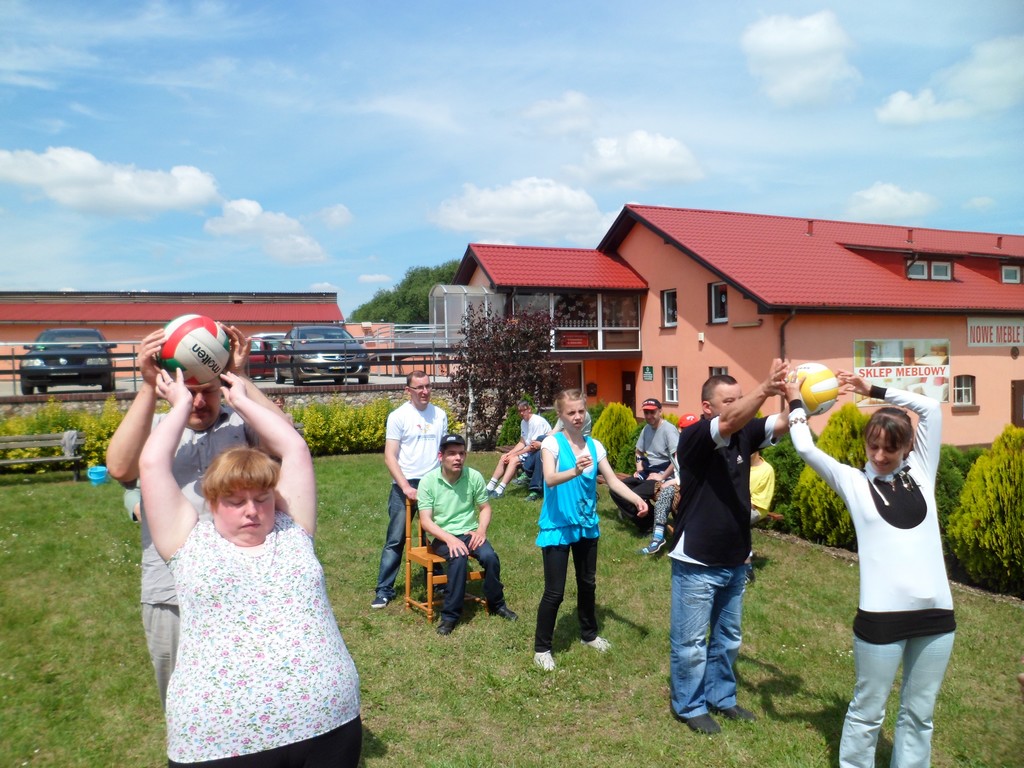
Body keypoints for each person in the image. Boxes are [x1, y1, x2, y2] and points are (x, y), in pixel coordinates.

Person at [140, 368, 361, 766]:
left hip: (328, 724)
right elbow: (153, 464)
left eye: (261, 498)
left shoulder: (292, 528)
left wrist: (240, 400)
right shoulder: (187, 542)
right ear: (212, 503)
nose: (252, 511)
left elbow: (294, 448)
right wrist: (180, 405)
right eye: (235, 501)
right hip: (220, 742)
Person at [106, 324, 283, 709]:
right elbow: (120, 468)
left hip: (242, 584)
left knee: (247, 688)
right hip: (169, 590)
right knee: (180, 695)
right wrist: (148, 385)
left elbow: (287, 440)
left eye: (208, 391)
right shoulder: (156, 428)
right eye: (190, 391)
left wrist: (241, 376)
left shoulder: (241, 424)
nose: (199, 402)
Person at [785, 370, 955, 767]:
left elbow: (930, 408)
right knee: (867, 712)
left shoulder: (922, 471)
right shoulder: (853, 482)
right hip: (880, 619)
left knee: (920, 715)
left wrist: (871, 390)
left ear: (908, 447)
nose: (879, 456)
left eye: (889, 449)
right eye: (873, 446)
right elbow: (805, 447)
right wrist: (795, 400)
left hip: (937, 616)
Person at [667, 361, 790, 735]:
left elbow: (787, 423)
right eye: (729, 400)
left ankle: (721, 697)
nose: (739, 406)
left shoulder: (745, 433)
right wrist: (765, 388)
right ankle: (690, 706)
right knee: (690, 643)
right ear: (708, 407)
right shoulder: (694, 437)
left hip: (736, 557)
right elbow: (731, 421)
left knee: (728, 638)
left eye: (741, 398)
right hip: (697, 558)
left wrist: (802, 395)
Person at [533, 389, 648, 672]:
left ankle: (589, 635)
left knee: (587, 584)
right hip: (558, 526)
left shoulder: (595, 446)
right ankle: (542, 649)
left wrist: (636, 498)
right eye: (570, 412)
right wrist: (574, 471)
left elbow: (612, 480)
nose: (577, 417)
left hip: (586, 525)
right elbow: (549, 479)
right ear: (560, 415)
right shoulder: (552, 443)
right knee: (555, 592)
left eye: (581, 411)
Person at [418, 433, 519, 636]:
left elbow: (485, 508)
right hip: (441, 536)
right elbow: (426, 521)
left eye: (461, 453)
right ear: (441, 456)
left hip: (469, 532)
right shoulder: (428, 481)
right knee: (459, 557)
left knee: (490, 557)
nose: (458, 458)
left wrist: (481, 531)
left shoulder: (473, 476)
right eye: (452, 453)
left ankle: (496, 604)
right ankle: (450, 616)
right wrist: (450, 539)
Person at [372, 370, 448, 609]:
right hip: (404, 486)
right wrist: (405, 486)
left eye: (428, 386)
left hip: (432, 484)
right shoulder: (398, 416)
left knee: (435, 535)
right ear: (408, 390)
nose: (425, 391)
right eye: (419, 387)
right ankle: (384, 589)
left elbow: (443, 452)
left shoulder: (440, 415)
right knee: (396, 539)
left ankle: (438, 580)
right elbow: (390, 456)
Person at [609, 398, 679, 532]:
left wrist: (662, 476)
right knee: (616, 490)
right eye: (646, 413)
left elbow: (677, 458)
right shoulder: (646, 429)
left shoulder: (669, 430)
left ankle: (648, 524)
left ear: (660, 411)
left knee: (633, 495)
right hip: (647, 472)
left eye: (652, 412)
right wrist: (639, 468)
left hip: (663, 475)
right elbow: (638, 451)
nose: (649, 416)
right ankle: (649, 521)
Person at [639, 413, 699, 555]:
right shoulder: (680, 449)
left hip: (696, 490)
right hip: (680, 486)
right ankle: (658, 536)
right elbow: (678, 471)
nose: (690, 433)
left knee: (668, 492)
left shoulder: (701, 449)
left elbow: (696, 475)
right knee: (665, 493)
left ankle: (668, 535)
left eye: (693, 429)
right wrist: (668, 480)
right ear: (680, 430)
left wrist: (672, 481)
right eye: (686, 429)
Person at [485, 400, 550, 501]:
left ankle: (500, 490)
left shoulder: (537, 422)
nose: (521, 413)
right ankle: (489, 487)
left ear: (529, 409)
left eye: (523, 410)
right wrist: (510, 453)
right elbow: (522, 442)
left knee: (514, 460)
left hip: (539, 452)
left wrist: (515, 455)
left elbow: (533, 446)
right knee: (504, 457)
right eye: (519, 411)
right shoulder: (523, 422)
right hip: (529, 451)